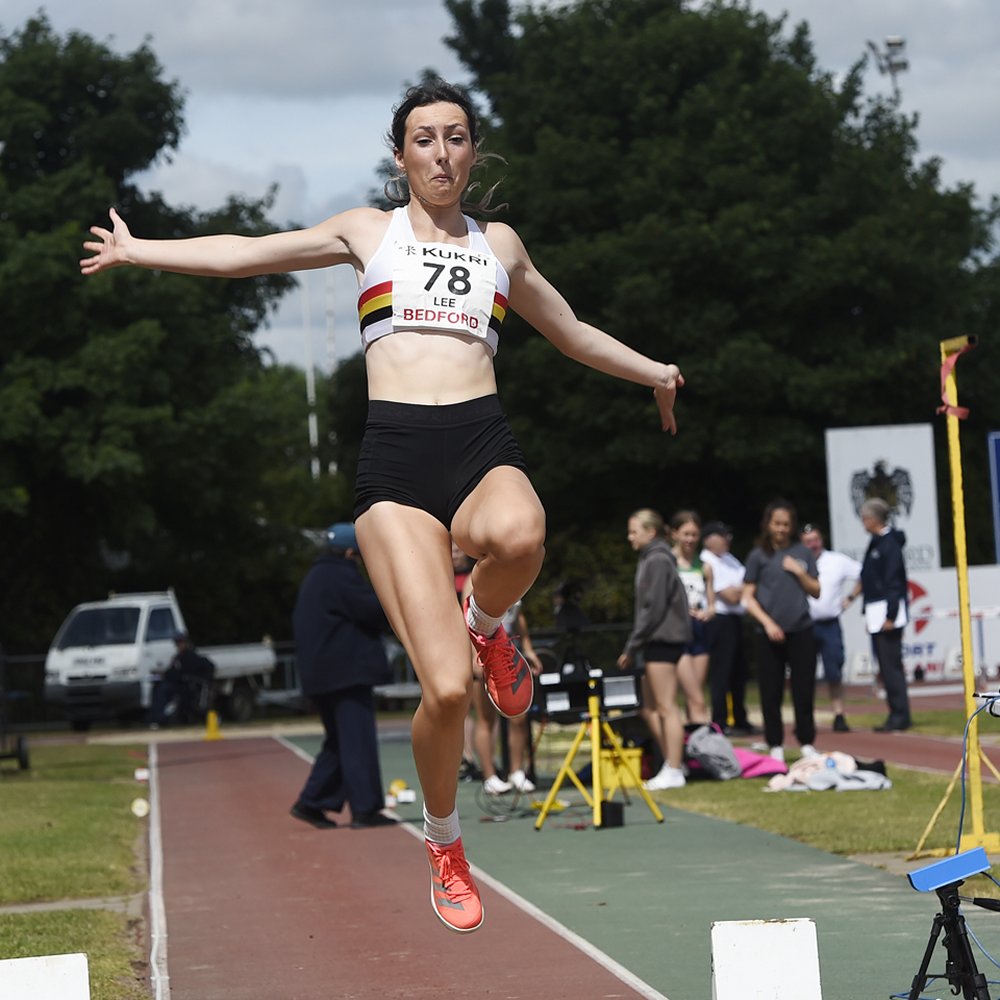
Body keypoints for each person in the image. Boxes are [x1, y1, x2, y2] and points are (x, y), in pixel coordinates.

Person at [81, 79, 683, 934]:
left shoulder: (499, 243)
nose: (443, 153)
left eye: (458, 137)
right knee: (442, 691)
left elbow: (573, 329)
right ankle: (444, 840)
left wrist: (654, 371)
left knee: (522, 531)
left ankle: (487, 619)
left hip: (479, 439)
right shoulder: (367, 231)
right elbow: (248, 251)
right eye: (425, 139)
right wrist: (145, 252)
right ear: (401, 155)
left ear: (475, 152)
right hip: (396, 463)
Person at [289, 522, 397, 831]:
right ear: (351, 553)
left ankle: (312, 802)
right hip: (345, 673)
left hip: (322, 674)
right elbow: (372, 610)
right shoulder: (341, 575)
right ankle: (365, 808)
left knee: (339, 742)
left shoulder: (317, 575)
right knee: (357, 739)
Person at [617, 508, 692, 791]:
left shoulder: (658, 559)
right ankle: (673, 761)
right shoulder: (652, 558)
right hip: (654, 639)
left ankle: (674, 768)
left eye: (634, 531)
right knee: (648, 707)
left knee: (666, 706)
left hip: (662, 639)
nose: (629, 537)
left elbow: (653, 608)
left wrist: (632, 644)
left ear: (651, 532)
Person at [742, 500, 820, 762]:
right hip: (769, 632)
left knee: (804, 687)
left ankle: (806, 741)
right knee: (770, 689)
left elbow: (816, 590)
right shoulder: (758, 556)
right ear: (768, 524)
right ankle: (774, 742)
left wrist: (800, 572)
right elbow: (748, 597)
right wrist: (768, 623)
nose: (781, 529)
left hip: (801, 628)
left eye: (786, 524)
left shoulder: (803, 552)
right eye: (777, 523)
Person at [470, 600, 542, 795]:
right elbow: (465, 618)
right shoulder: (473, 580)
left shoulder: (513, 575)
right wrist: (473, 657)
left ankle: (516, 772)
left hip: (508, 654)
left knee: (519, 716)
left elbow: (518, 615)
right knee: (486, 719)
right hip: (483, 654)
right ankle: (490, 777)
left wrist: (528, 649)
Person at [855, 498, 911, 732]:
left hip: (887, 613)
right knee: (885, 667)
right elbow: (869, 577)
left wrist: (890, 614)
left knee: (891, 666)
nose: (863, 522)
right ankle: (895, 712)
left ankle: (900, 715)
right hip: (876, 611)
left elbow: (893, 580)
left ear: (874, 519)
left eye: (865, 518)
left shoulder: (889, 544)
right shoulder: (876, 543)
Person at [800, 523, 862, 733]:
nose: (813, 545)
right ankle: (805, 718)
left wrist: (851, 598)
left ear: (822, 540)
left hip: (829, 624)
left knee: (834, 671)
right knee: (804, 673)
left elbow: (863, 573)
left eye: (815, 540)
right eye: (808, 542)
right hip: (804, 625)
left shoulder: (836, 561)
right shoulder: (797, 562)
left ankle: (838, 714)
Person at [699, 522, 755, 735]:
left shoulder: (730, 560)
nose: (727, 540)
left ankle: (740, 717)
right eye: (722, 536)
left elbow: (750, 585)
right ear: (709, 539)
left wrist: (741, 590)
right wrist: (743, 590)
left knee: (738, 672)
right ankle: (720, 720)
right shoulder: (707, 560)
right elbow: (729, 595)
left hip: (735, 619)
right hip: (719, 620)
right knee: (721, 672)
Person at [670, 510, 712, 725]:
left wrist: (707, 612)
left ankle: (694, 736)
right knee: (687, 693)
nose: (690, 539)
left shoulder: (704, 566)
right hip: (677, 630)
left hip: (699, 628)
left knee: (697, 692)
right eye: (686, 534)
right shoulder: (668, 562)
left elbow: (712, 604)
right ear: (674, 534)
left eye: (694, 534)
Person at [150, 632, 215, 728]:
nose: (178, 645)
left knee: (163, 690)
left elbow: (181, 673)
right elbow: (173, 671)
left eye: (180, 643)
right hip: (180, 685)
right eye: (177, 643)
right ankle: (157, 718)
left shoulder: (190, 657)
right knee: (159, 688)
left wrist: (168, 675)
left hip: (187, 687)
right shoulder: (178, 657)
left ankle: (160, 718)